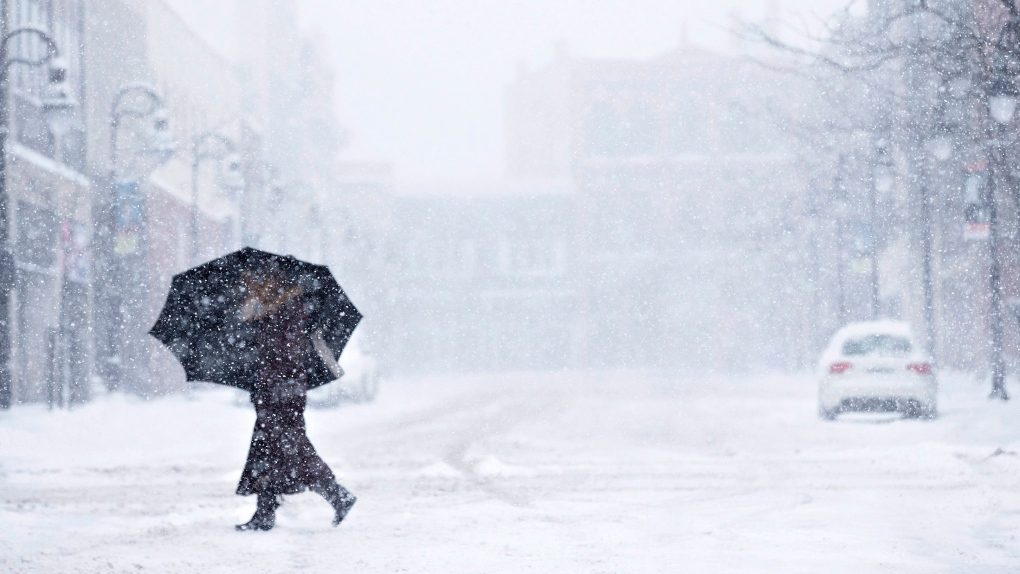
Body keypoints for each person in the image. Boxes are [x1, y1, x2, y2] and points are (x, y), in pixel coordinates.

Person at [234, 271, 356, 532]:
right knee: (266, 448)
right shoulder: (273, 311)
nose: (250, 288)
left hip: (282, 392)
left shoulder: (286, 311)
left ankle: (337, 494)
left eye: (254, 283)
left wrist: (271, 379)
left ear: (271, 283)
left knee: (291, 448)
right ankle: (264, 512)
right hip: (273, 391)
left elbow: (286, 356)